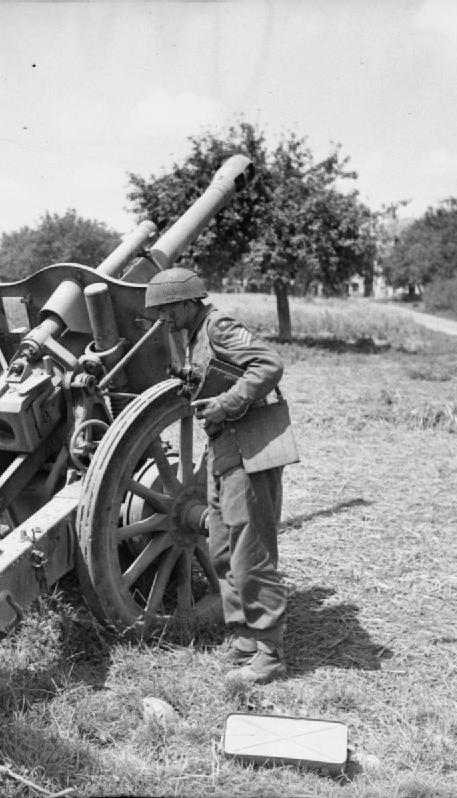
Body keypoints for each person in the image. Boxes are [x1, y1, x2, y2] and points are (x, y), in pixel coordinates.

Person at [145, 266, 288, 685]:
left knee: (252, 550)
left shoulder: (219, 326)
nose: (163, 320)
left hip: (248, 443)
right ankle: (245, 636)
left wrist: (227, 401)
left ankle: (270, 653)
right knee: (222, 545)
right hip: (222, 446)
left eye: (168, 311)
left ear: (189, 302)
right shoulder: (192, 338)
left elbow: (268, 364)